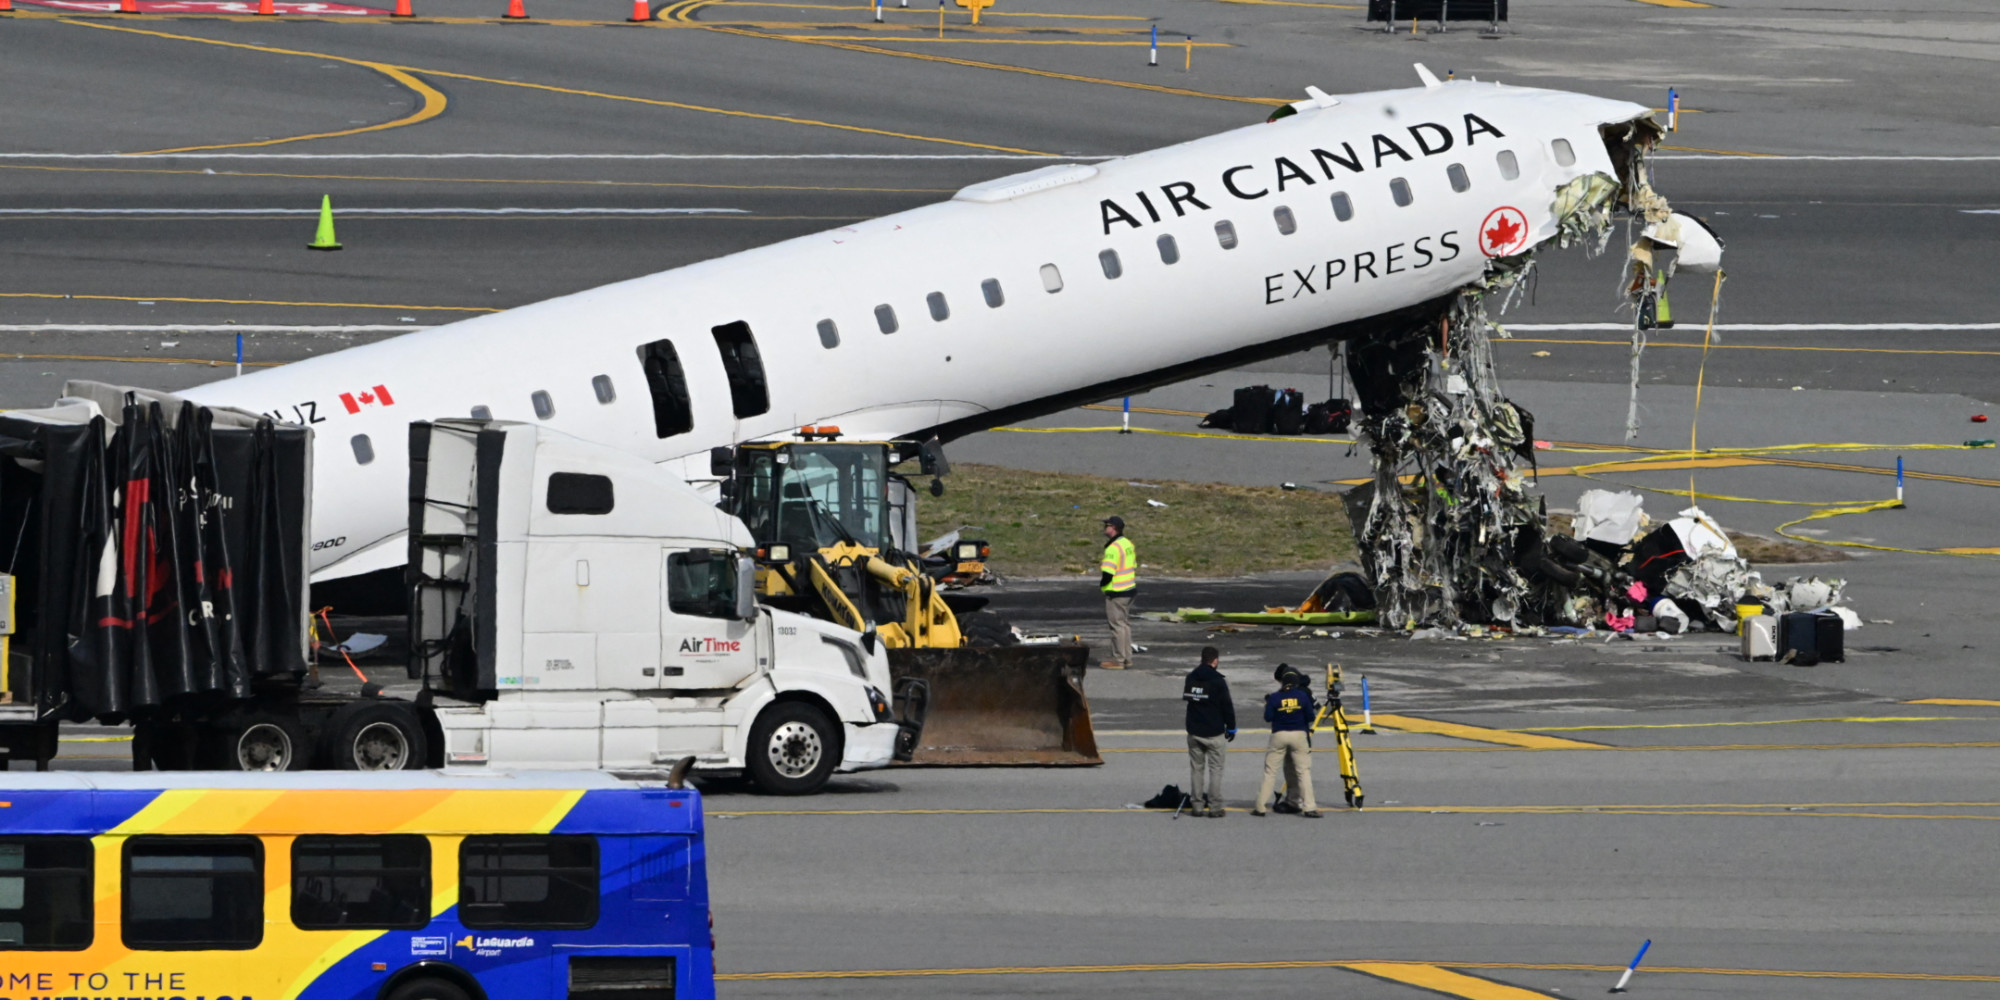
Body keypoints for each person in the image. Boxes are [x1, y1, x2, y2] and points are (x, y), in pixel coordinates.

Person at [1252, 664, 1321, 818]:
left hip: (1279, 735)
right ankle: (1309, 807)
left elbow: (1267, 717)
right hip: (1299, 735)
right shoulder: (1303, 696)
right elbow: (1311, 717)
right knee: (1303, 772)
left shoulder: (1275, 697)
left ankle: (1260, 806)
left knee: (1270, 772)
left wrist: (1272, 707)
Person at [1182, 646, 1235, 817]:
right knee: (1216, 769)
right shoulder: (1218, 681)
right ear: (1215, 661)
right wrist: (1231, 727)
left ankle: (1197, 805)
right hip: (1214, 731)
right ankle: (1214, 806)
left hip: (1195, 730)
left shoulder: (1191, 677)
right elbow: (1227, 706)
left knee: (1197, 769)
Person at [1098, 515, 1137, 669]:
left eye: (1106, 525)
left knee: (1117, 626)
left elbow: (1108, 573)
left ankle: (1118, 660)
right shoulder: (1127, 543)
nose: (1104, 528)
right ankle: (1127, 658)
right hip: (1129, 589)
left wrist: (1103, 586)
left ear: (1113, 528)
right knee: (1124, 625)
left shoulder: (1113, 548)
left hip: (1117, 591)